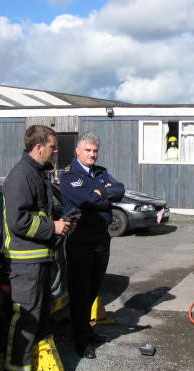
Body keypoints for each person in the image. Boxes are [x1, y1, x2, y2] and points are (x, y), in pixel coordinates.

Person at [2, 125, 70, 371]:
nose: (55, 152)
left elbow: (38, 213)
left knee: (39, 317)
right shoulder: (21, 176)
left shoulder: (37, 173)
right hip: (24, 261)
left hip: (40, 258)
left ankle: (31, 366)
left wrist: (58, 225)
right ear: (38, 147)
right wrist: (51, 228)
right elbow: (18, 221)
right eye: (53, 147)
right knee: (25, 318)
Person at [60, 132, 124, 359]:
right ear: (78, 151)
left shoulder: (100, 171)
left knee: (94, 289)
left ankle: (87, 330)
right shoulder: (69, 175)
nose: (92, 154)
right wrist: (102, 196)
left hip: (101, 238)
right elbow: (87, 201)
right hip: (80, 239)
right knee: (80, 292)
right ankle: (80, 342)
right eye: (88, 150)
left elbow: (120, 190)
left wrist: (102, 192)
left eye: (95, 151)